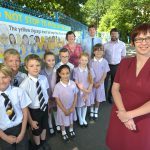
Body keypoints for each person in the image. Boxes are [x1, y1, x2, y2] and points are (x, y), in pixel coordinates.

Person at [106, 23, 150, 150]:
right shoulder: (125, 63)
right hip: (120, 115)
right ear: (133, 43)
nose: (143, 42)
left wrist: (130, 115)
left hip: (143, 121)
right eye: (139, 39)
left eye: (147, 38)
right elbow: (115, 89)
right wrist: (124, 115)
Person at [19, 54, 50, 150]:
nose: (35, 68)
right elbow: (25, 106)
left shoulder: (44, 78)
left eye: (37, 65)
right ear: (26, 67)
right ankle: (38, 145)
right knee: (36, 129)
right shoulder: (24, 85)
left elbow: (45, 93)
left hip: (44, 107)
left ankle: (43, 141)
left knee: (44, 126)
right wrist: (30, 121)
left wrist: (47, 106)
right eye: (31, 66)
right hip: (33, 111)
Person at [0, 63, 31, 150]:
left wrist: (22, 133)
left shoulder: (18, 92)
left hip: (20, 127)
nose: (1, 81)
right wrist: (5, 137)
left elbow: (25, 112)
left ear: (10, 77)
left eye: (4, 77)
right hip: (3, 132)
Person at [53, 65, 78, 142]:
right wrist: (64, 110)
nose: (65, 75)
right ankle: (63, 132)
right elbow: (57, 99)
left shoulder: (73, 83)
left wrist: (73, 107)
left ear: (69, 73)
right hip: (62, 109)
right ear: (59, 74)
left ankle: (71, 129)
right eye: (63, 74)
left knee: (71, 119)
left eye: (67, 73)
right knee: (62, 121)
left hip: (71, 107)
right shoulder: (57, 86)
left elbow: (75, 95)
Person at [104, 28, 126, 103]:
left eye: (115, 34)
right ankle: (102, 96)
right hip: (106, 66)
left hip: (116, 66)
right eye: (112, 34)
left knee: (114, 83)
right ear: (110, 35)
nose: (114, 35)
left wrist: (121, 67)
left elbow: (123, 56)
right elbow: (103, 56)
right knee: (104, 82)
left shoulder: (122, 44)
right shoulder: (105, 45)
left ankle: (110, 96)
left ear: (118, 35)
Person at [73, 52, 95, 127]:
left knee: (85, 105)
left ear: (88, 61)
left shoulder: (90, 70)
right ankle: (80, 119)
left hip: (88, 91)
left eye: (86, 60)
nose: (84, 62)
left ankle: (83, 118)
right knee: (79, 105)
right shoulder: (76, 70)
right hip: (80, 92)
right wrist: (85, 91)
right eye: (82, 60)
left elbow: (91, 82)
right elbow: (76, 82)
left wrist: (88, 92)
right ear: (79, 60)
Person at [90, 44, 110, 119]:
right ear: (93, 52)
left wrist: (100, 82)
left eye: (100, 50)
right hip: (91, 83)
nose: (98, 51)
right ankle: (91, 109)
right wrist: (92, 82)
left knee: (98, 98)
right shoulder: (91, 61)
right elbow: (89, 73)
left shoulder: (105, 62)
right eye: (96, 50)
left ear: (103, 52)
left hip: (100, 84)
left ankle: (96, 110)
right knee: (92, 98)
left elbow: (105, 74)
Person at [40, 52, 58, 135]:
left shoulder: (57, 71)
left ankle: (57, 123)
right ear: (44, 60)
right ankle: (50, 125)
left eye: (53, 60)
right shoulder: (41, 72)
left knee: (56, 109)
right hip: (47, 96)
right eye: (49, 60)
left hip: (56, 95)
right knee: (49, 110)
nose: (51, 62)